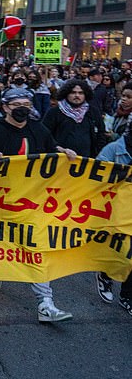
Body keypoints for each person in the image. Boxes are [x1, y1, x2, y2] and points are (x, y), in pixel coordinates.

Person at [0, 87, 76, 322]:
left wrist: (64, 153)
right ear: (5, 107)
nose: (23, 109)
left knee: (35, 247)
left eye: (27, 105)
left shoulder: (39, 130)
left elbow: (52, 150)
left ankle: (45, 303)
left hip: (31, 202)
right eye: (17, 105)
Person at [94, 121, 132, 316]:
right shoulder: (114, 150)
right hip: (116, 210)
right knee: (120, 250)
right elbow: (96, 176)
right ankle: (106, 274)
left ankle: (127, 296)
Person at [42, 79, 106, 158]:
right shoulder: (54, 112)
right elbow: (45, 135)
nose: (77, 95)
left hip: (87, 160)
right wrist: (59, 150)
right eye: (73, 92)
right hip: (60, 160)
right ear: (66, 94)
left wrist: (97, 153)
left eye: (80, 93)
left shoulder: (93, 111)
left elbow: (101, 133)